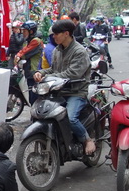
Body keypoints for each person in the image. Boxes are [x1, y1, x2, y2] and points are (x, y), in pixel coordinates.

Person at [34, 19, 95, 155]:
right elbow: (53, 69)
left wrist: (50, 77)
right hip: (59, 91)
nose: (53, 36)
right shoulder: (57, 50)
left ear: (66, 33)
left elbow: (72, 74)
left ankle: (87, 139)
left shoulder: (79, 51)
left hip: (76, 92)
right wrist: (41, 72)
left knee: (70, 118)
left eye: (56, 34)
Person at [13, 21, 44, 101]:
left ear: (31, 31)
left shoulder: (36, 41)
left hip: (34, 70)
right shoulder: (29, 40)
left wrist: (18, 56)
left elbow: (25, 51)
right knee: (31, 94)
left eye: (25, 31)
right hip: (30, 70)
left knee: (33, 96)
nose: (23, 33)